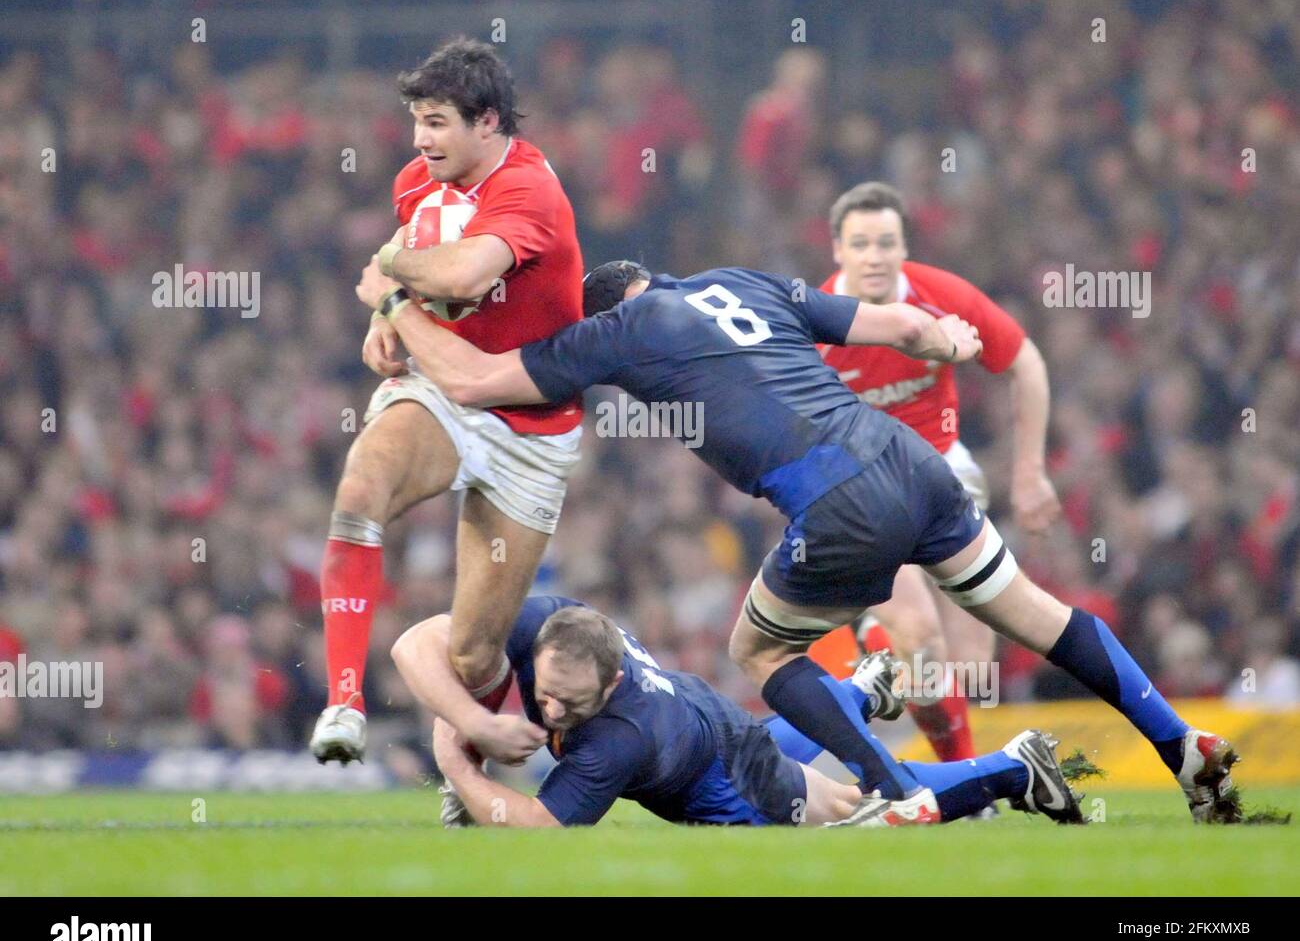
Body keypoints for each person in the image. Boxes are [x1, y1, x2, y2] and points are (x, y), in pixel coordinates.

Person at [353, 258, 1240, 823]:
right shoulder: (740, 281)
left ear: (604, 310)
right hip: (910, 462)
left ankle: (893, 794)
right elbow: (882, 322)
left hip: (838, 497)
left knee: (759, 649)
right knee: (1041, 616)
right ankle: (1178, 745)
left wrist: (396, 299)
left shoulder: (614, 331)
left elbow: (470, 382)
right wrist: (941, 334)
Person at [311, 37, 584, 766]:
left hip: (530, 421)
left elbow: (461, 275)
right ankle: (344, 701)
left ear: (487, 123)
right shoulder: (415, 181)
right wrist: (383, 318)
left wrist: (391, 281)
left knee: (472, 653)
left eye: (436, 123)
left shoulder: (529, 188)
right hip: (441, 390)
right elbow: (409, 246)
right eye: (417, 121)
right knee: (361, 487)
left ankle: (473, 762)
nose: (420, 139)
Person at [391, 595, 1083, 828]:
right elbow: (414, 641)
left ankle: (1013, 768)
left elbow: (536, 826)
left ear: (607, 688)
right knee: (760, 735)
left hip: (733, 781)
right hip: (702, 713)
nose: (547, 710)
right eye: (541, 693)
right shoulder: (555, 624)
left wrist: (456, 757)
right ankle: (861, 693)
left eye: (566, 704)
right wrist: (476, 719)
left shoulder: (615, 738)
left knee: (869, 815)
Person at [812, 180, 1059, 768]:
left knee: (970, 662)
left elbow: (1025, 362)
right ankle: (966, 784)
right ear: (837, 250)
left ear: (904, 246)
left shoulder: (939, 295)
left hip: (944, 473)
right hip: (863, 490)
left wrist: (1028, 473)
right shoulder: (817, 323)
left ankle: (881, 654)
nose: (874, 255)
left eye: (886, 242)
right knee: (919, 635)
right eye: (861, 243)